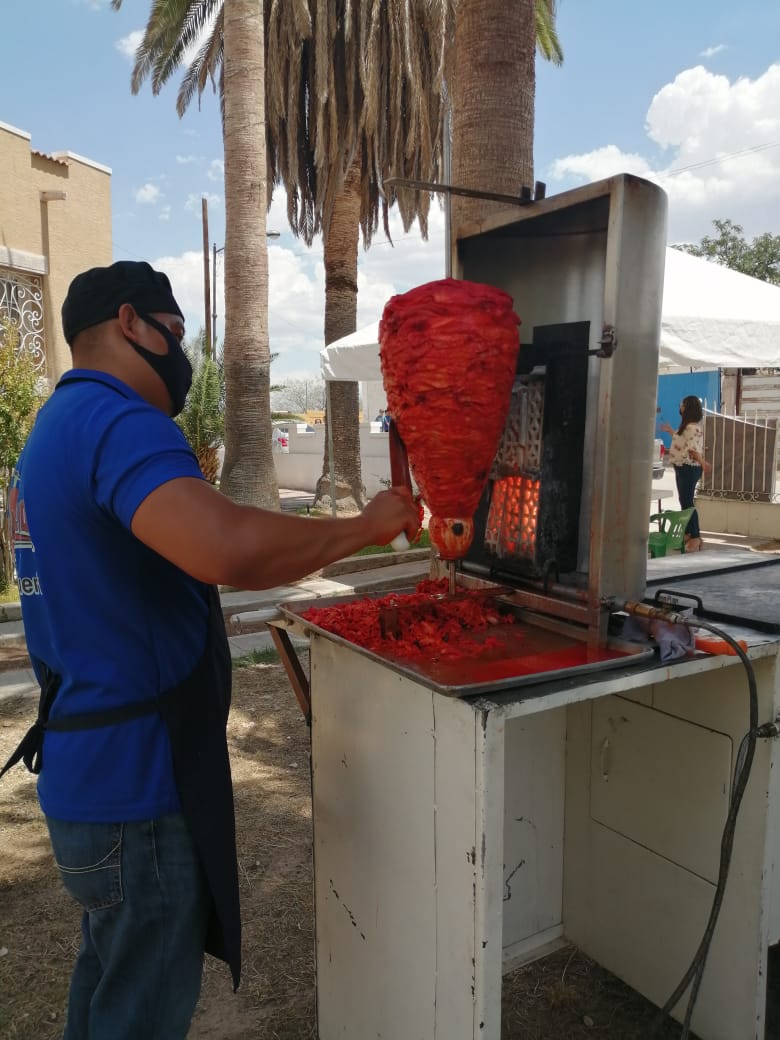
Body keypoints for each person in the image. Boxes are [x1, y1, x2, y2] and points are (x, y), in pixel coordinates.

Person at [1, 261, 419, 1040]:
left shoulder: (53, 428)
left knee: (109, 990)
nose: (182, 355)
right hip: (136, 788)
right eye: (176, 333)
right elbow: (226, 548)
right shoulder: (117, 420)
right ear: (133, 323)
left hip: (87, 776)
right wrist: (368, 525)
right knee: (140, 1014)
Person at [660, 395, 712, 552]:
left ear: (688, 408)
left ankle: (696, 536)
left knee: (688, 502)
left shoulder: (692, 428)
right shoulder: (687, 427)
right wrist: (670, 431)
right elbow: (680, 440)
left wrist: (703, 463)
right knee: (684, 501)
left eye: (682, 405)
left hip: (689, 468)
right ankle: (689, 533)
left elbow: (692, 449)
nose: (680, 407)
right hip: (682, 467)